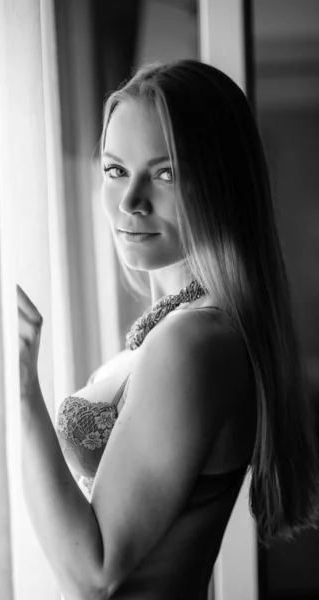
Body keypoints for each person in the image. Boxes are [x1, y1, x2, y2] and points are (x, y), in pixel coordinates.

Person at [17, 59, 319, 600]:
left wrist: (20, 389)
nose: (129, 201)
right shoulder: (185, 329)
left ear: (221, 184)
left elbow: (94, 574)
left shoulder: (193, 342)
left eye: (165, 173)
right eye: (114, 170)